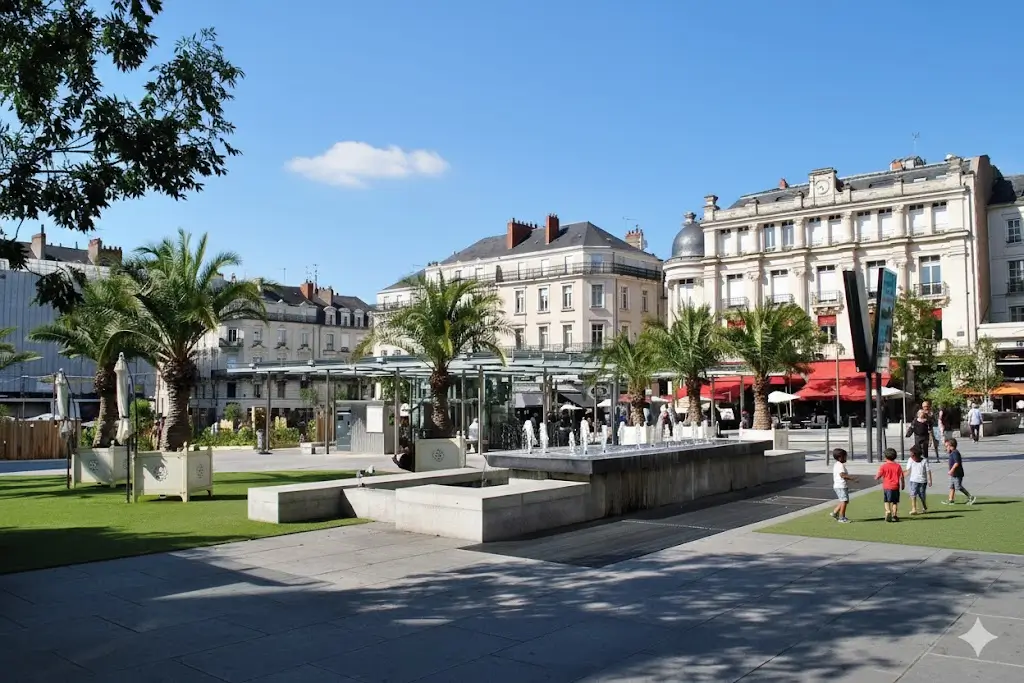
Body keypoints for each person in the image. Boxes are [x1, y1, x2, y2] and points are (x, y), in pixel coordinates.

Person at [942, 437, 977, 505]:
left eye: (947, 446)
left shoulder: (955, 453)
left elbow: (957, 463)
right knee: (952, 487)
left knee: (958, 487)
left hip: (957, 474)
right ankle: (951, 500)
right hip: (953, 474)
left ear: (951, 446)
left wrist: (951, 470)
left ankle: (970, 497)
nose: (946, 448)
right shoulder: (952, 453)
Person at [875, 447, 905, 523]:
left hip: (887, 487)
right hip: (896, 486)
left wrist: (876, 477)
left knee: (886, 501)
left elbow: (879, 475)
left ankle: (888, 511)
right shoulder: (898, 466)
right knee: (895, 502)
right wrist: (903, 484)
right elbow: (901, 476)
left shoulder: (884, 466)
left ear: (885, 457)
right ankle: (894, 515)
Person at [830, 448, 856, 523]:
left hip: (839, 486)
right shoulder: (840, 465)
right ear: (840, 457)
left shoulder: (837, 464)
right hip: (841, 486)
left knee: (844, 501)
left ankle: (835, 513)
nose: (846, 458)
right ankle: (842, 517)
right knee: (844, 501)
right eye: (845, 456)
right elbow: (842, 475)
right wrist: (852, 478)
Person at [904, 445, 932, 515]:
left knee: (922, 495)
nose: (911, 456)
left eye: (912, 455)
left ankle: (924, 506)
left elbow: (928, 471)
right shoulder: (910, 460)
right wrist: (901, 476)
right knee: (913, 494)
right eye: (910, 455)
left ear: (917, 455)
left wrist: (929, 480)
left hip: (922, 481)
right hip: (913, 480)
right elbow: (907, 471)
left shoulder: (924, 461)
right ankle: (914, 509)